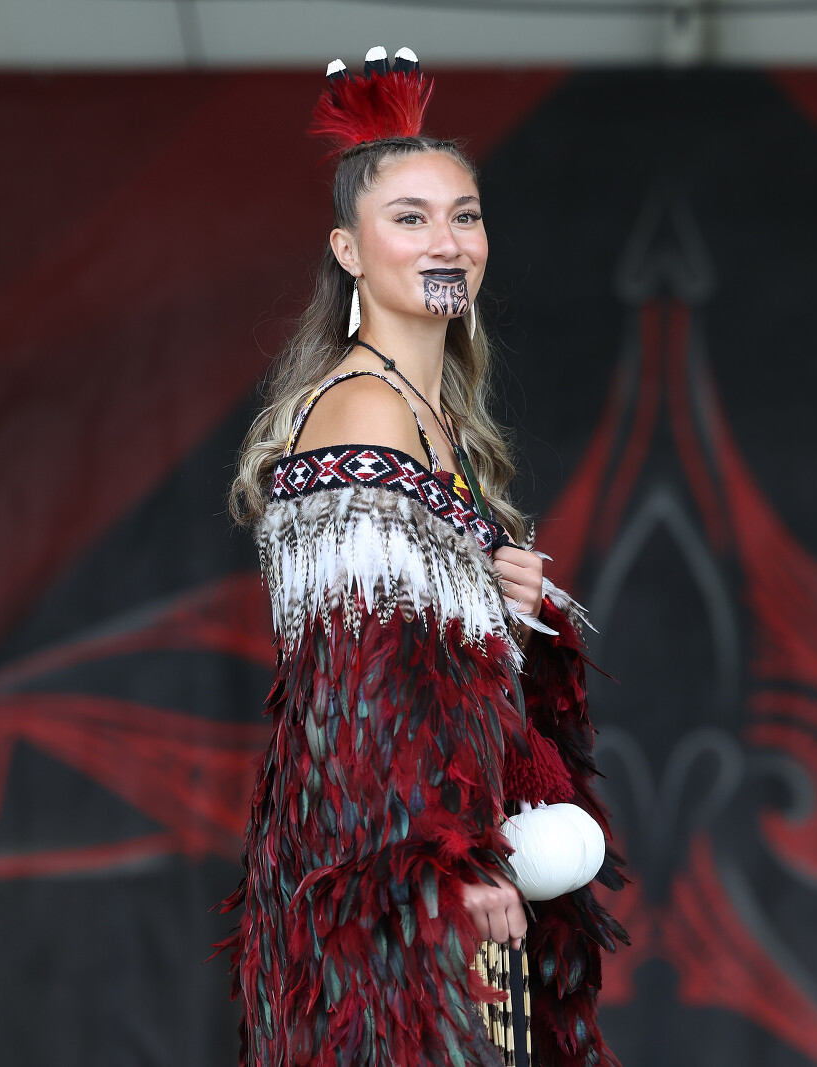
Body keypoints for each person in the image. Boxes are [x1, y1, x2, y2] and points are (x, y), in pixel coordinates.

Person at [223, 50, 627, 1067]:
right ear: (348, 250)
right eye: (410, 218)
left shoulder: (439, 424)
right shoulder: (363, 408)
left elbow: (440, 659)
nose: (448, 240)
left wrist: (506, 605)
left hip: (440, 875)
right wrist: (445, 860)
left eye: (465, 215)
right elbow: (359, 680)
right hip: (389, 884)